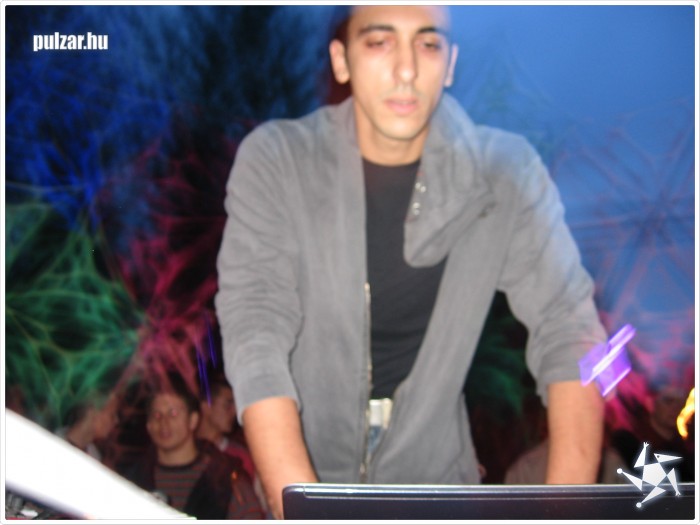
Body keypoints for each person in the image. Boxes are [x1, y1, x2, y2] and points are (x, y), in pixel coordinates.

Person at [215, 5, 606, 518]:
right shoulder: (279, 160)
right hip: (302, 472)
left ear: (450, 62)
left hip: (440, 489)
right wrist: (299, 503)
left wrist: (566, 508)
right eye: (379, 42)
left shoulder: (507, 174)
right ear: (342, 59)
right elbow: (255, 328)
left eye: (428, 44)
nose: (406, 69)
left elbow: (572, 330)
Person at [117, 373, 264, 520]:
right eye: (157, 415)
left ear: (193, 420)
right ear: (148, 425)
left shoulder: (225, 480)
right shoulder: (132, 479)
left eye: (173, 413)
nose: (164, 423)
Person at [611, 383, 695, 482]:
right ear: (651, 403)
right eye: (668, 401)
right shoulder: (627, 443)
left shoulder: (687, 451)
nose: (676, 408)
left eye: (681, 403)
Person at [196, 375, 256, 480]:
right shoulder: (186, 450)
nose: (235, 412)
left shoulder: (241, 457)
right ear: (206, 406)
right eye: (228, 405)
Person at [55, 393, 119, 462]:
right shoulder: (53, 444)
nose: (116, 421)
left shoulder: (95, 458)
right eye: (112, 415)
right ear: (93, 412)